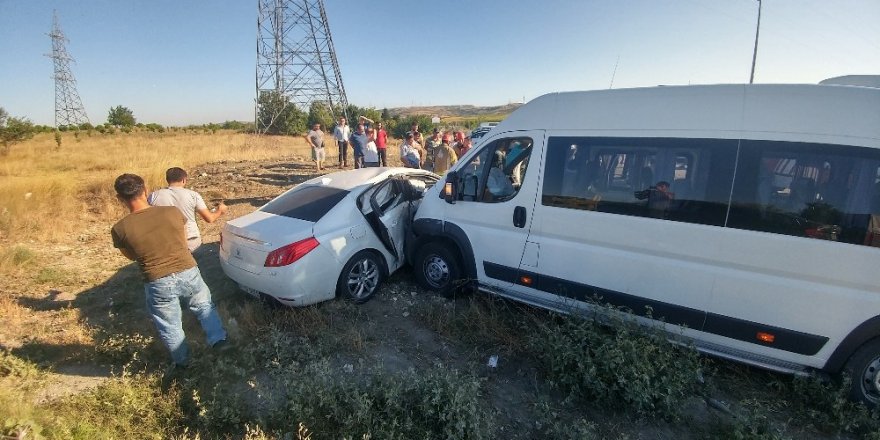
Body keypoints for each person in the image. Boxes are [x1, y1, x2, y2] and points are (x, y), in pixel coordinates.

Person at [112, 173, 228, 369]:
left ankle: (183, 363)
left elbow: (131, 256)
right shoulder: (172, 212)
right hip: (187, 268)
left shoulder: (120, 229)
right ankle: (220, 342)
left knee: (170, 324)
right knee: (204, 307)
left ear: (119, 198)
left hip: (157, 279)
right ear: (145, 191)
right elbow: (182, 241)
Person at [148, 167, 228, 252]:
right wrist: (220, 210)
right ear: (184, 180)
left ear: (167, 180)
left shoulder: (153, 196)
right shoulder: (193, 195)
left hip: (166, 242)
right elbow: (209, 218)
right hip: (191, 240)